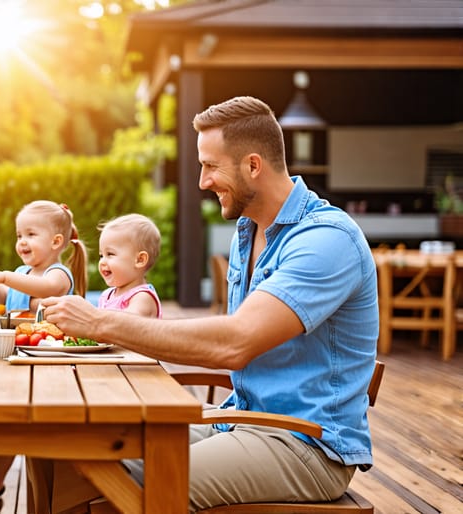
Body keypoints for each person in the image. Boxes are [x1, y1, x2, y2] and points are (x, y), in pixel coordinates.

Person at [40, 96, 378, 511]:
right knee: (74, 455)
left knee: (131, 485)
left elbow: (233, 344)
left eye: (210, 166)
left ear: (253, 165)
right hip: (240, 418)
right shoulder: (247, 232)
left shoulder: (326, 240)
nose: (202, 181)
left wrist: (99, 324)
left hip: (304, 442)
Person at [0, 200, 88, 511]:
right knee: (8, 420)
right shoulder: (21, 272)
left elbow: (45, 288)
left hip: (47, 359)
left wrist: (5, 276)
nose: (21, 241)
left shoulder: (58, 273)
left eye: (30, 234)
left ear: (56, 242)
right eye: (19, 234)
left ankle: (52, 485)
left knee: (33, 424)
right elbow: (8, 301)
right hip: (15, 353)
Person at [96, 213, 164, 318]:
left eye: (110, 254)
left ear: (140, 260)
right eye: (101, 255)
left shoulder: (143, 297)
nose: (102, 261)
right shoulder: (107, 295)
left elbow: (128, 323)